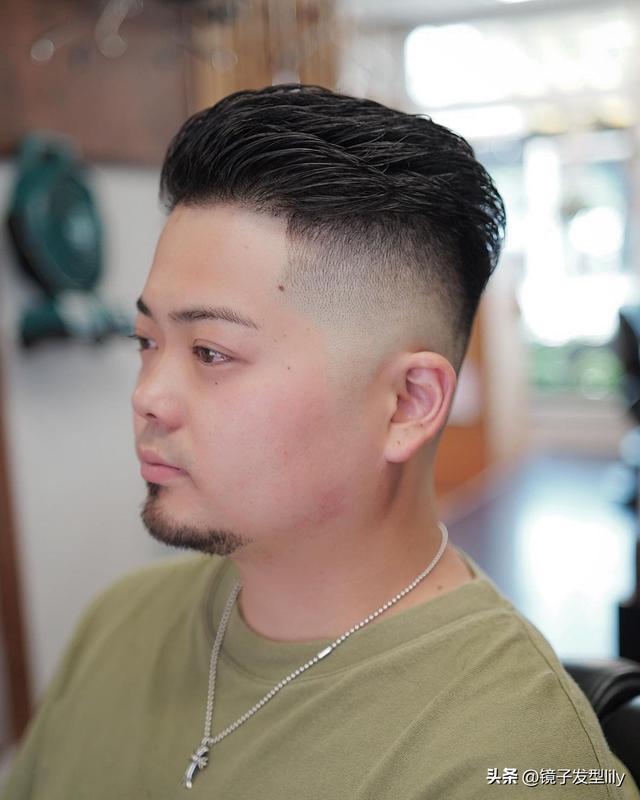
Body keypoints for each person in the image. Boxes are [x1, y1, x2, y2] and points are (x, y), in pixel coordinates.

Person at [2, 84, 638, 800]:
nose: (147, 396)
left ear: (408, 404)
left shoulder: (511, 762)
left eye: (210, 352)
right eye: (146, 340)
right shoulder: (118, 623)